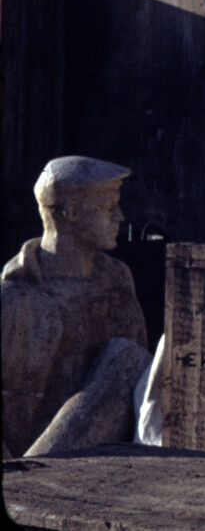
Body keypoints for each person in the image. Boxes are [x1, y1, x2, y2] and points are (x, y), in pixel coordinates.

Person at [2, 156, 150, 458]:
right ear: (71, 212)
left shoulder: (118, 282)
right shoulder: (15, 296)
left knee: (128, 360)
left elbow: (143, 394)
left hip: (106, 470)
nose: (119, 217)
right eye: (108, 206)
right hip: (29, 477)